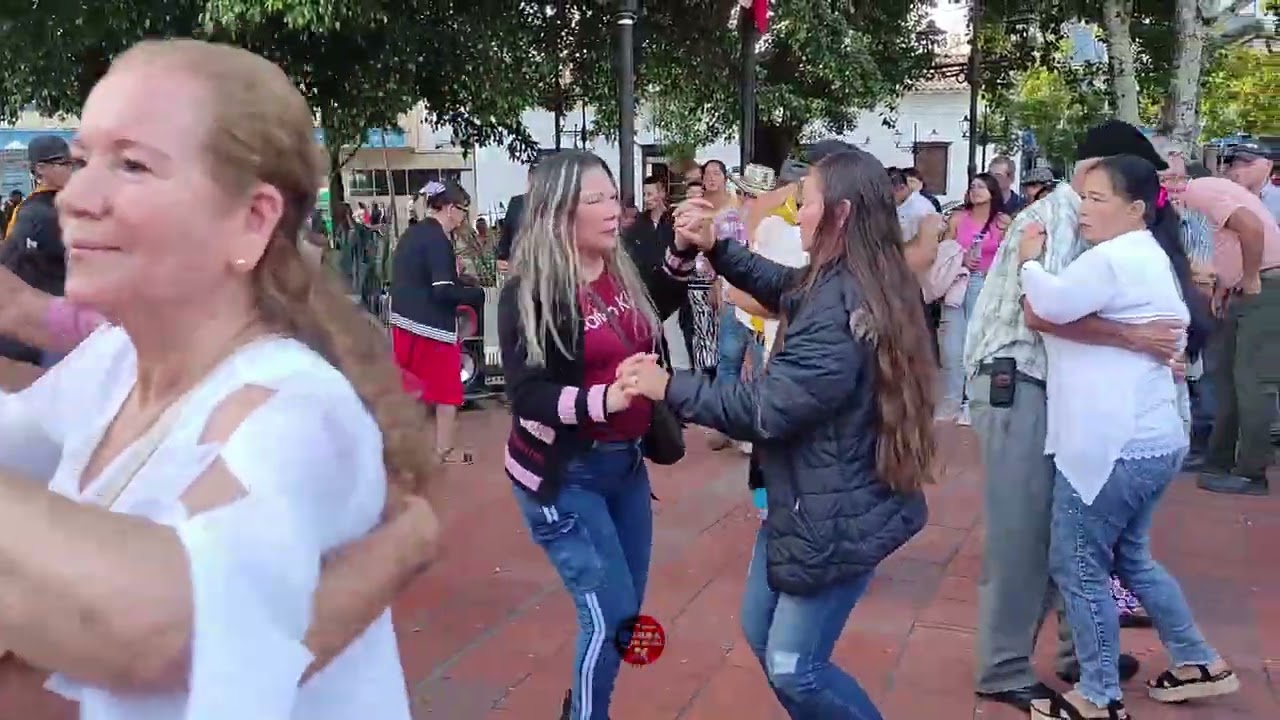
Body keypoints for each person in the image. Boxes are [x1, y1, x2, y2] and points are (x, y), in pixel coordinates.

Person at [0, 38, 440, 718]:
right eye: (83, 161)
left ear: (251, 220)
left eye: (134, 165)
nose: (77, 196)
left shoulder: (294, 407)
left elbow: (169, 623)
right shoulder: (114, 363)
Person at [630, 147, 933, 719]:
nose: (798, 213)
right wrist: (718, 249)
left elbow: (766, 407)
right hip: (809, 495)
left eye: (807, 202)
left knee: (796, 667)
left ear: (841, 213)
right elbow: (783, 285)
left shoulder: (847, 304)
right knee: (762, 633)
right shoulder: (843, 274)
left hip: (835, 508)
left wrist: (669, 385)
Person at [964, 120, 1196, 711]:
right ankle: (1004, 668)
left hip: (1050, 387)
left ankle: (1080, 652)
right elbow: (1043, 312)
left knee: (1073, 526)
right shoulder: (1063, 214)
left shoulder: (1096, 218)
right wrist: (1136, 338)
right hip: (1017, 381)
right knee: (1024, 535)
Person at [1020, 155, 1238, 720]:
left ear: (1135, 208)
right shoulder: (1146, 254)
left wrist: (1028, 262)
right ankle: (1198, 660)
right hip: (1151, 441)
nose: (1084, 208)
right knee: (1132, 559)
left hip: (1109, 445)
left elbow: (1045, 306)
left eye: (1097, 198)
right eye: (1083, 197)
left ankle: (1098, 695)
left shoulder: (1115, 257)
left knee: (1079, 565)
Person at [496, 150, 689, 720]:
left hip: (625, 469)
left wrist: (681, 252)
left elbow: (654, 309)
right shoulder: (530, 292)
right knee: (608, 617)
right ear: (558, 213)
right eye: (596, 200)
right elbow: (526, 393)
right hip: (566, 476)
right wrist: (605, 399)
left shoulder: (617, 269)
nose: (614, 210)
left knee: (625, 616)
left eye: (614, 197)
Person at [1179, 143, 1280, 496]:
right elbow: (1228, 243)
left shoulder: (1199, 189)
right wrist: (1228, 284)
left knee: (1251, 382)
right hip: (1246, 287)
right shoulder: (1206, 193)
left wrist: (1250, 277)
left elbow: (1250, 228)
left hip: (1265, 285)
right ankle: (1221, 462)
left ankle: (1251, 472)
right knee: (1227, 381)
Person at [389, 181, 484, 465]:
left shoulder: (412, 234)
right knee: (447, 393)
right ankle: (444, 451)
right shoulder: (438, 239)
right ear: (450, 208)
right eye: (463, 211)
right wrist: (474, 292)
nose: (464, 218)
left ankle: (402, 450)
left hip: (402, 321)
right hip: (431, 328)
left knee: (408, 391)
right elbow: (442, 290)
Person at [936, 173, 1006, 424]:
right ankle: (952, 400)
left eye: (981, 187)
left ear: (992, 192)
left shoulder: (1002, 223)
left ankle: (972, 402)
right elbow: (942, 251)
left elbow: (1009, 255)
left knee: (977, 343)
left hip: (986, 283)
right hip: (959, 281)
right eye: (973, 186)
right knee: (952, 345)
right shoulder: (957, 219)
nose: (975, 190)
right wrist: (961, 257)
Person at [0, 135, 75, 367]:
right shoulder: (38, 214)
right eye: (63, 162)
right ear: (40, 168)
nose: (71, 169)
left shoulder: (55, 206)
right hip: (37, 338)